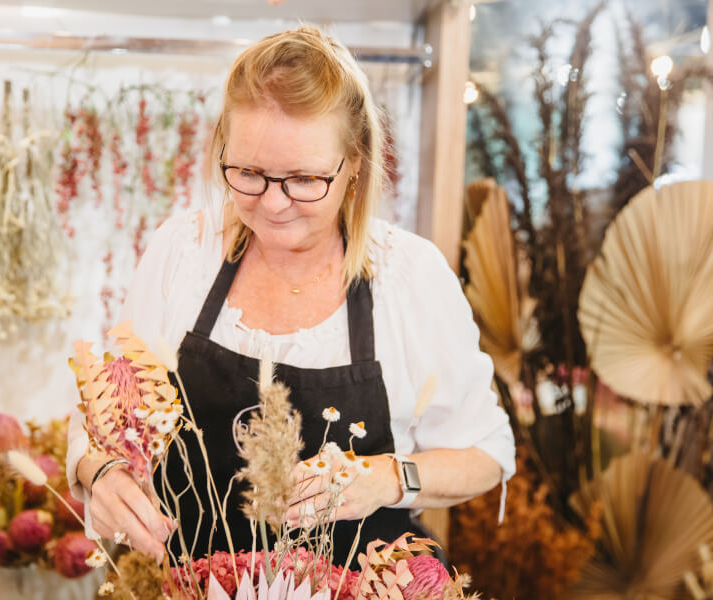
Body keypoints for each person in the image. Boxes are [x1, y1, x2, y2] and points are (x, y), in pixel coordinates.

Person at [66, 25, 515, 567]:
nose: (274, 205)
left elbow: (486, 455)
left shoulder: (410, 275)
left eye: (304, 179)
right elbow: (103, 419)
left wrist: (386, 478)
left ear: (354, 165)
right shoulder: (183, 251)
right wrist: (102, 474)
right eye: (249, 173)